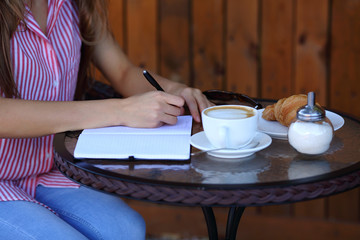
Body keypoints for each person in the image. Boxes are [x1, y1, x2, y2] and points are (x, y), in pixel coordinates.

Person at [0, 0, 212, 239]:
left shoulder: (75, 5)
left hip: (48, 169)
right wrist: (120, 110)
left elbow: (122, 71)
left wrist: (173, 89)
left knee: (127, 230)